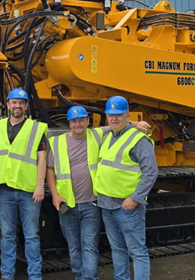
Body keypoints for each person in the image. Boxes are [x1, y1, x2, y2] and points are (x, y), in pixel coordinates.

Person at [46, 106, 150, 280]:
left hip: (92, 203)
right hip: (67, 204)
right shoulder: (57, 142)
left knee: (89, 246)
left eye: (81, 120)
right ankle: (79, 276)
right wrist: (55, 195)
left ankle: (89, 278)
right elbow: (50, 169)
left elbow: (117, 123)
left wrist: (136, 124)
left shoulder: (95, 134)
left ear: (88, 121)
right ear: (69, 123)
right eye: (74, 121)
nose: (77, 124)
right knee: (73, 247)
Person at [94, 96, 157, 280]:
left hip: (127, 207)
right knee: (117, 249)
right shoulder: (107, 137)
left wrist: (136, 198)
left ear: (127, 115)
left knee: (137, 252)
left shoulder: (139, 140)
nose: (114, 118)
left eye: (119, 115)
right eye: (111, 115)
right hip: (106, 204)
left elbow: (151, 172)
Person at [0, 88, 48, 280]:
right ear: (8, 105)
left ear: (26, 106)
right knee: (7, 235)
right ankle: (6, 275)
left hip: (29, 190)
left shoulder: (36, 128)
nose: (17, 106)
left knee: (32, 235)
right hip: (5, 190)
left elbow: (42, 158)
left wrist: (40, 186)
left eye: (21, 102)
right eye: (13, 102)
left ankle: (35, 275)